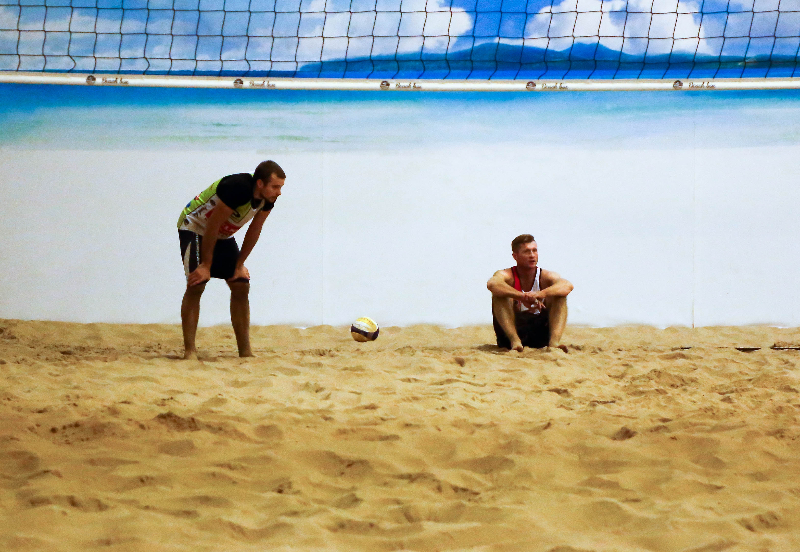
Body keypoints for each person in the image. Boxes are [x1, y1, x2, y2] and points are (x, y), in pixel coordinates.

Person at [177, 160, 286, 360]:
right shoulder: (238, 188)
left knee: (241, 284)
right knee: (197, 283)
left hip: (221, 233)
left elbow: (255, 229)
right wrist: (206, 265)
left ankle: (245, 352)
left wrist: (239, 264)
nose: (279, 192)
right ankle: (190, 351)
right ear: (260, 183)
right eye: (275, 187)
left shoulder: (268, 198)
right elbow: (212, 224)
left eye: (281, 187)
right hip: (194, 226)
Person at [487, 234, 573, 352]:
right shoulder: (507, 275)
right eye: (527, 251)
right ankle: (515, 341)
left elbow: (567, 285)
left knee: (559, 296)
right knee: (500, 295)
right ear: (515, 256)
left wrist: (540, 294)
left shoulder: (546, 276)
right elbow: (493, 284)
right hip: (510, 337)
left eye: (534, 250)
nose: (532, 255)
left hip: (540, 334)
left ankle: (554, 343)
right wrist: (522, 296)